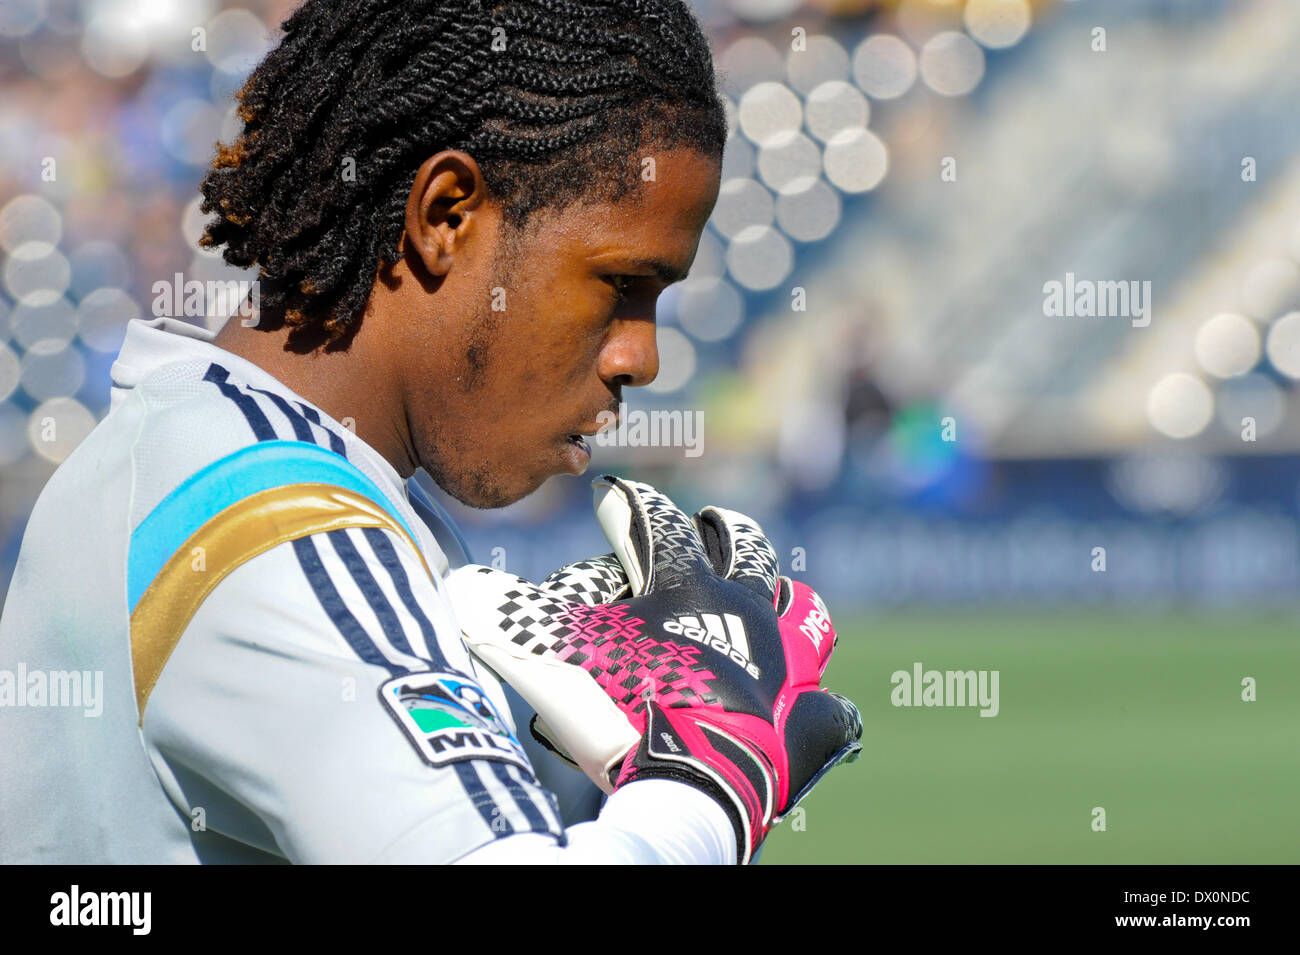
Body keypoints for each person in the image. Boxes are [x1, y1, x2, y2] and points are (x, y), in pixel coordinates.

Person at [0, 0, 858, 864]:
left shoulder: (193, 446)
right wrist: (710, 774)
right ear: (446, 215)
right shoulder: (277, 524)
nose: (643, 357)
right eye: (621, 283)